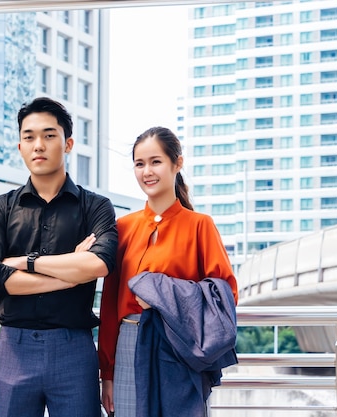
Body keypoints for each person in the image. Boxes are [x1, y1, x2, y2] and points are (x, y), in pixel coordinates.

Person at [0, 96, 118, 417]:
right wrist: (70, 275)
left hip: (74, 348)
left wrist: (24, 262)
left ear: (68, 144)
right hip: (14, 347)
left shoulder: (95, 207)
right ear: (20, 147)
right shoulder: (0, 207)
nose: (38, 144)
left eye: (49, 135)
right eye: (29, 137)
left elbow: (99, 264)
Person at [98, 126, 239, 417]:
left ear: (177, 163)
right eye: (139, 164)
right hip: (130, 343)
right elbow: (110, 305)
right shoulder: (122, 228)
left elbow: (225, 295)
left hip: (180, 346)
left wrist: (164, 297)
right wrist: (107, 373)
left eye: (156, 161)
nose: (147, 171)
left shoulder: (200, 225)